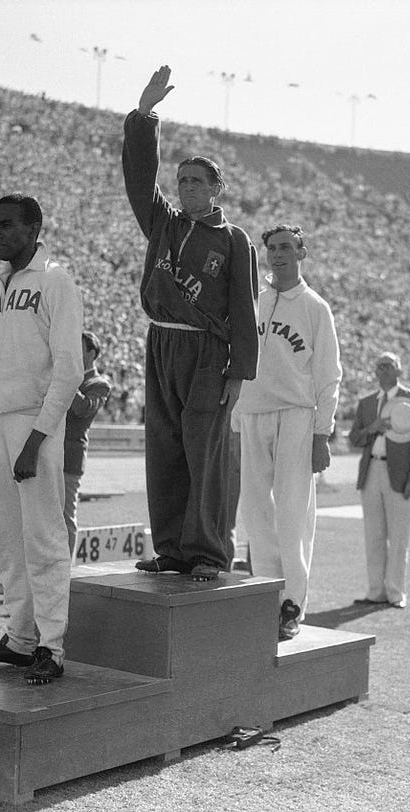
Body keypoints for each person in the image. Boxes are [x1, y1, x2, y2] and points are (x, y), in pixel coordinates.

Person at [122, 65, 259, 582]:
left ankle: (207, 552)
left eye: (196, 181)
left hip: (206, 352)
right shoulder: (163, 222)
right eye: (180, 180)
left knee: (207, 454)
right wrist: (143, 115)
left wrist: (237, 372)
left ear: (217, 187)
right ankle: (172, 549)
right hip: (160, 343)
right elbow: (139, 181)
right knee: (164, 447)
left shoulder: (234, 239)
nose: (185, 187)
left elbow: (244, 310)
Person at [0, 193, 83, 685]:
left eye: (7, 225)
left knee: (43, 538)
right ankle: (19, 637)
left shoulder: (55, 281)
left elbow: (69, 369)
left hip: (38, 424)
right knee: (5, 539)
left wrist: (37, 438)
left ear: (34, 228)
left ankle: (52, 648)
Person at [232, 225, 342, 641]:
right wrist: (236, 420)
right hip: (255, 414)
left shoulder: (315, 308)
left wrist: (322, 434)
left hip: (296, 415)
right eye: (272, 248)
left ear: (302, 252)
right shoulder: (253, 303)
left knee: (293, 513)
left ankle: (292, 604)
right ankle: (267, 598)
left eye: (285, 248)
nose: (277, 255)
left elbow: (329, 376)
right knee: (256, 512)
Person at [348, 352, 410, 609]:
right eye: (379, 366)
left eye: (388, 366)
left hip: (400, 476)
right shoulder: (367, 403)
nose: (382, 370)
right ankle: (375, 592)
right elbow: (354, 438)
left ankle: (396, 593)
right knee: (373, 535)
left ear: (399, 371)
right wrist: (372, 429)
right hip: (371, 470)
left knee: (398, 537)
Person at [64, 331, 112, 555]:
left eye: (79, 347)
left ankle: (65, 572)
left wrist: (65, 381)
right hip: (48, 452)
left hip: (70, 456)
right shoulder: (70, 375)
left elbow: (82, 409)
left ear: (91, 353)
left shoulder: (99, 383)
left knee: (65, 516)